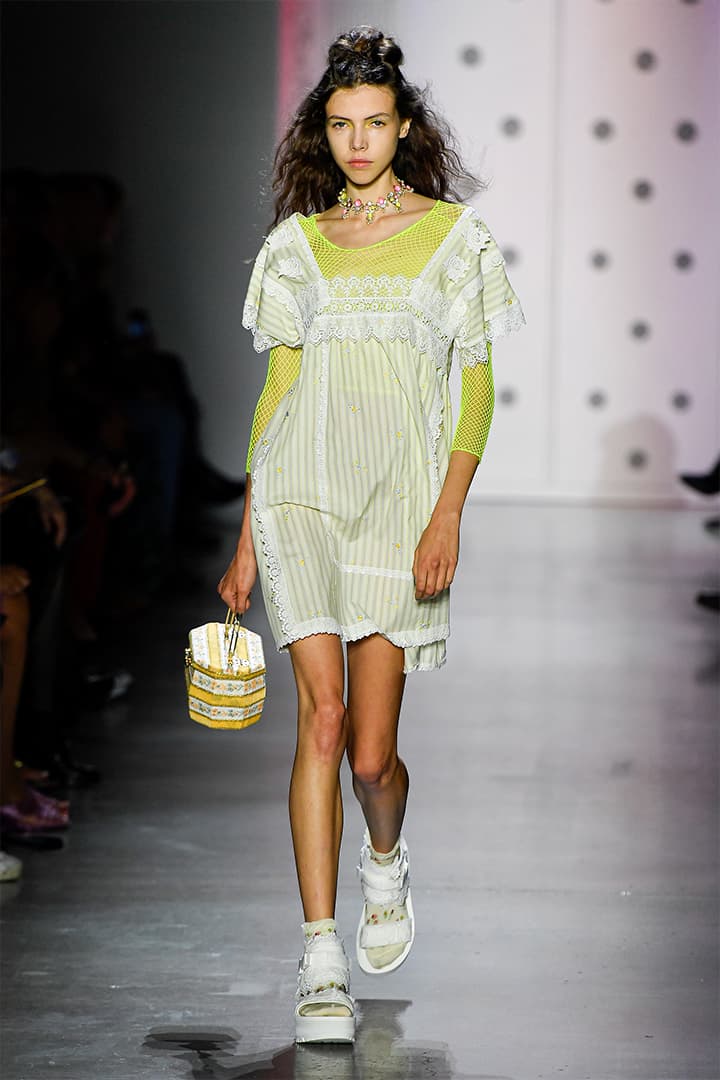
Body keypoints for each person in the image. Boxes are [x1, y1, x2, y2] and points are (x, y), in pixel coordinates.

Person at [218, 26, 524, 1044]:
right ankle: (319, 958)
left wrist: (447, 514)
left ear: (404, 127)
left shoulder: (454, 240)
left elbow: (475, 390)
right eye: (341, 126)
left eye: (375, 123)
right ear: (324, 133)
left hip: (400, 506)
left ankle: (385, 859)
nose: (358, 142)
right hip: (301, 497)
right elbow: (278, 389)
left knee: (371, 755)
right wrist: (248, 534)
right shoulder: (295, 246)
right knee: (319, 722)